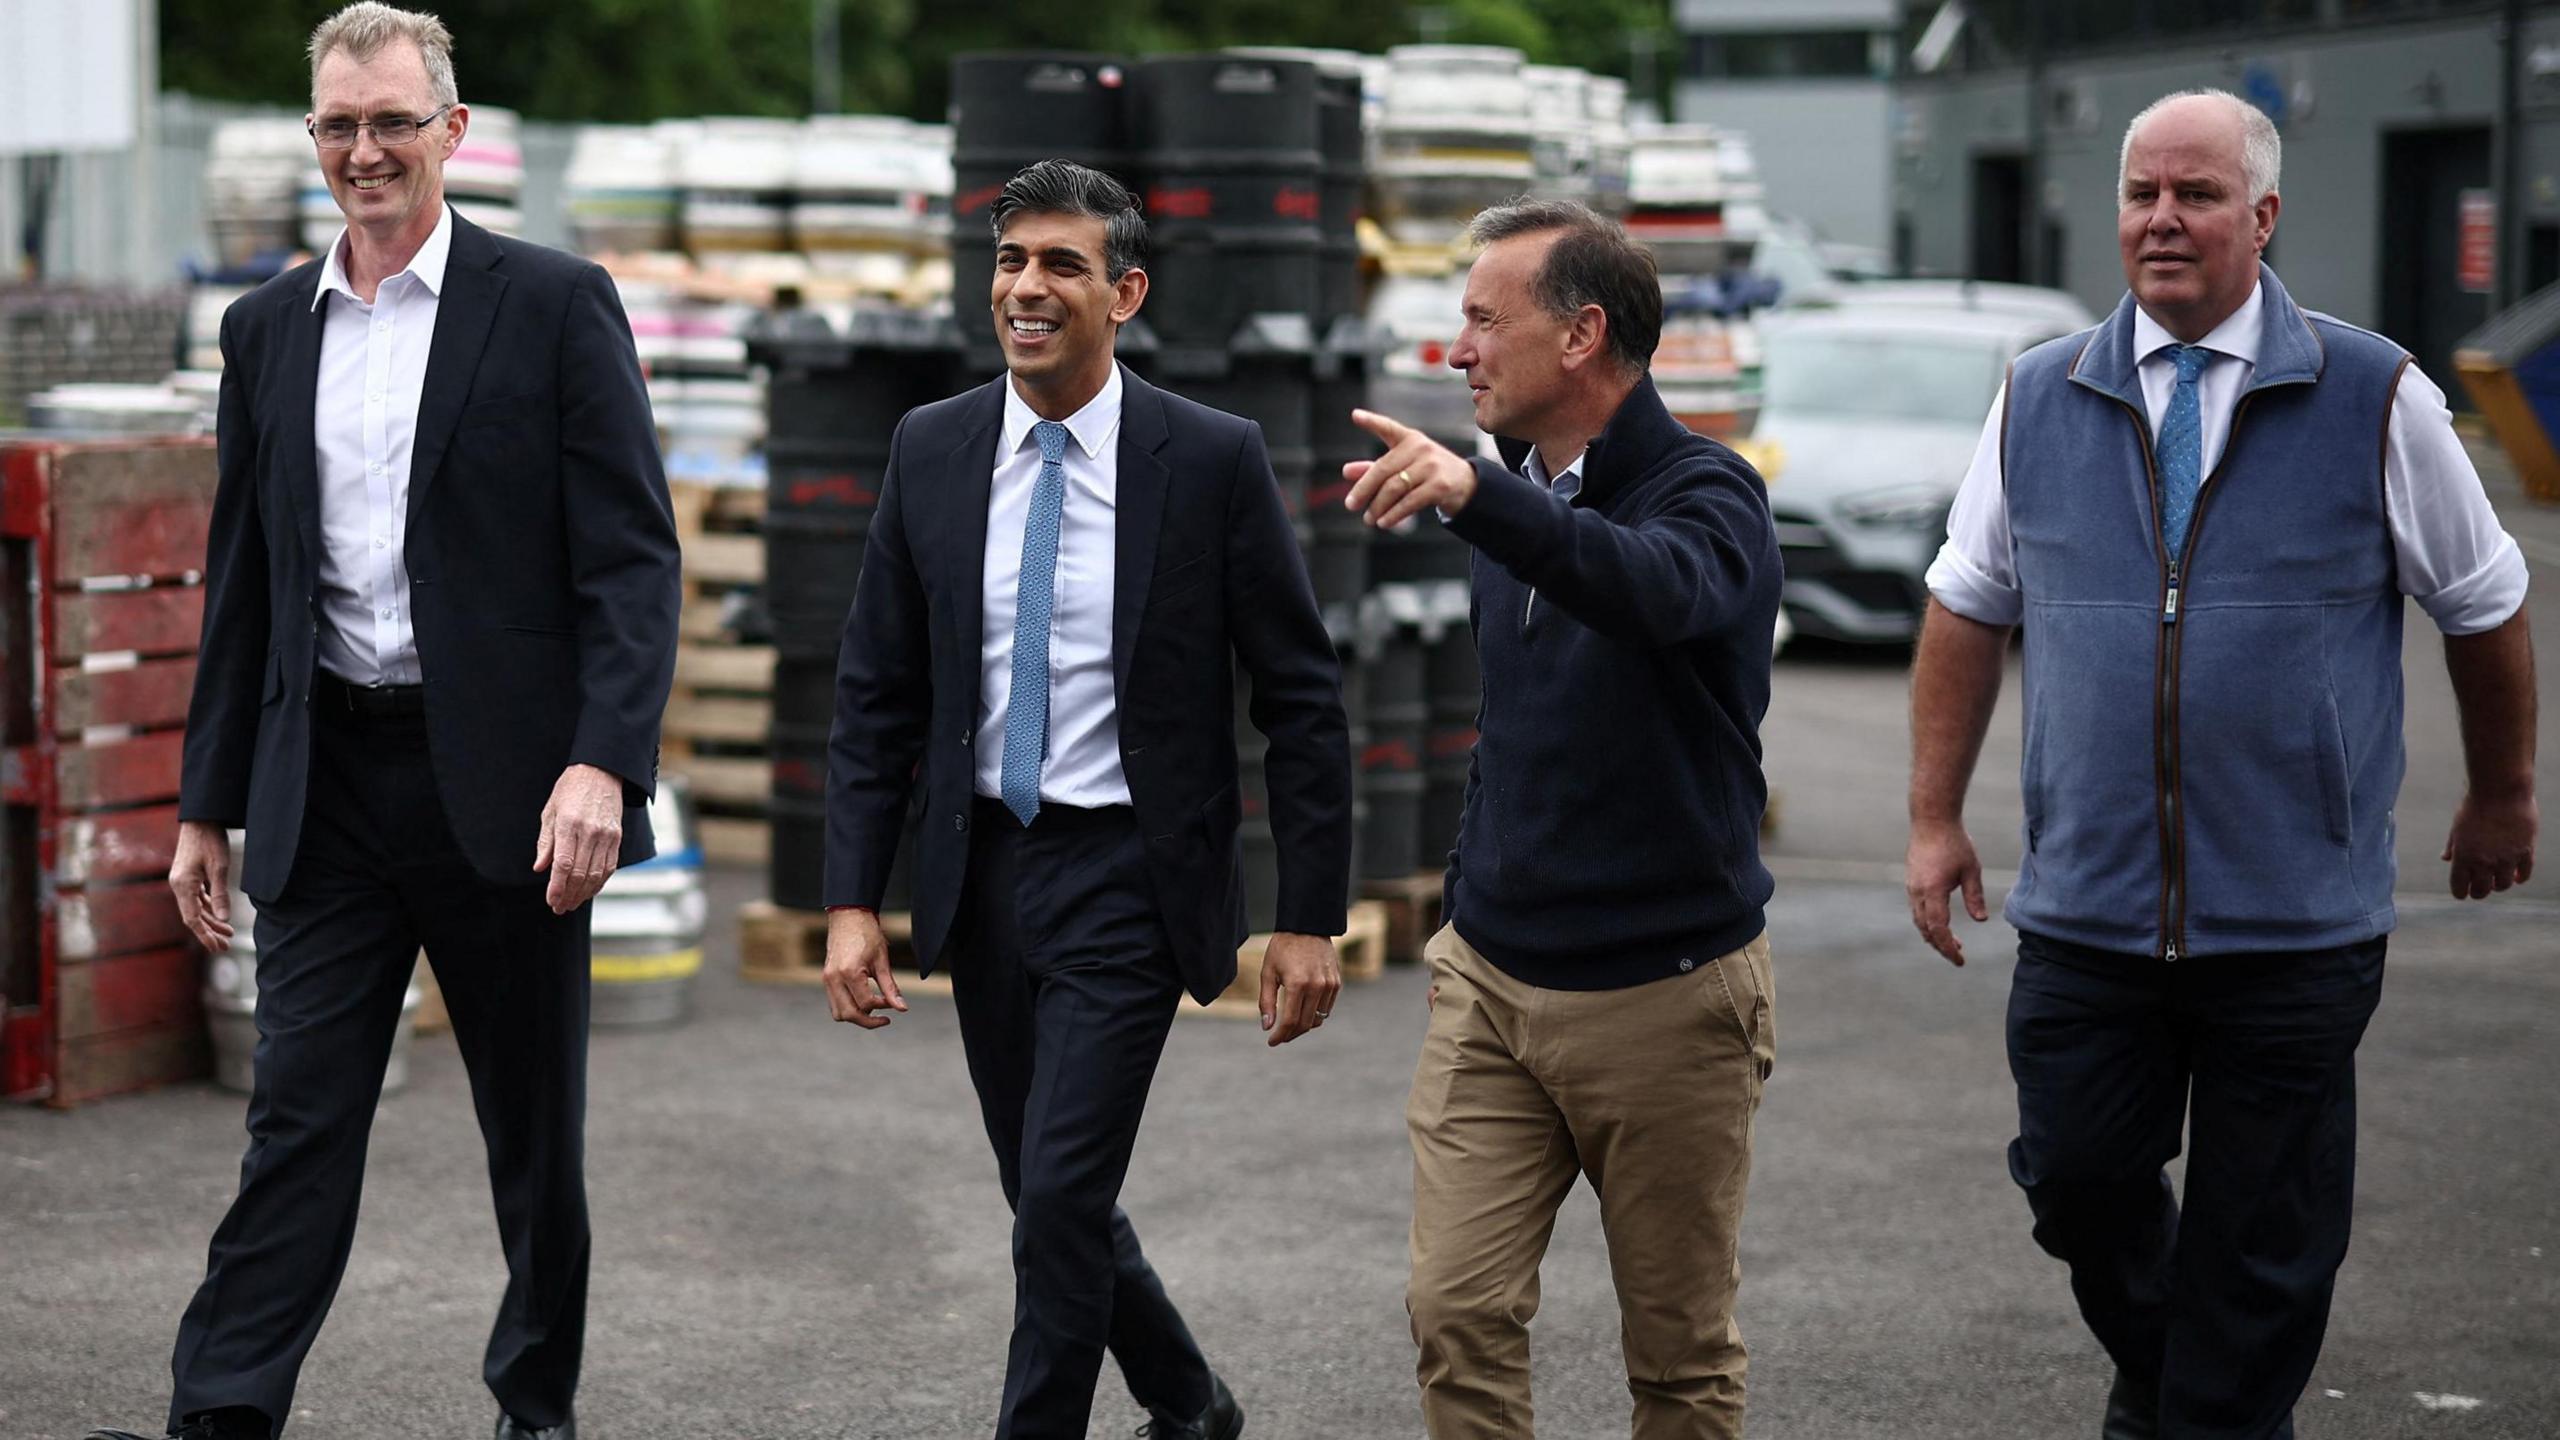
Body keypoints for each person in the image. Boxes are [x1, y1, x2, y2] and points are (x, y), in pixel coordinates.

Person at [1906, 89, 2536, 1439]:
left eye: (2194, 195)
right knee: (2075, 1181)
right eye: (2141, 194)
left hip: (2294, 920)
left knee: (2265, 1241)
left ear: (2262, 217)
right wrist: (1931, 818)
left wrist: (2503, 792)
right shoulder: (2039, 393)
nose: (2161, 220)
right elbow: (1967, 603)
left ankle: (2197, 1416)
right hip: (2087, 911)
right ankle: (2177, 1382)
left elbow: (2483, 600)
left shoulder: (2375, 393)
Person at [89, 7, 680, 1439]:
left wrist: (604, 759)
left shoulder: (549, 304)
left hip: (512, 793)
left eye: (392, 123)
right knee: (297, 1122)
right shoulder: (264, 327)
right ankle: (217, 1419)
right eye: (339, 125)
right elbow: (247, 585)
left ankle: (534, 1408)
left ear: (452, 134)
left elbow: (631, 559)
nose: (365, 151)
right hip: (328, 784)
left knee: (531, 1141)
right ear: (316, 138)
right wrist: (204, 802)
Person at [818, 158, 1353, 1440]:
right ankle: (1186, 1398)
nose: (1027, 287)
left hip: (1127, 874)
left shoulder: (1208, 459)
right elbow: (874, 694)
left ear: (1126, 291)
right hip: (982, 871)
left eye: (1061, 264)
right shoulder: (931, 447)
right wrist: (849, 902)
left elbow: (1301, 697)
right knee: (1047, 1191)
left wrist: (1310, 917)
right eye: (1009, 261)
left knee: (1056, 1197)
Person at [1346, 199, 1783, 1439]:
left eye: (1483, 320)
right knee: (1454, 1311)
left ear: (1583, 334)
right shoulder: (1517, 499)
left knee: (1678, 1358)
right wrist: (1465, 895)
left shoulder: (1709, 495)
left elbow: (1646, 585)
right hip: (1491, 981)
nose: (1456, 352)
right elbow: (1515, 728)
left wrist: (1482, 502)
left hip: (1668, 993)